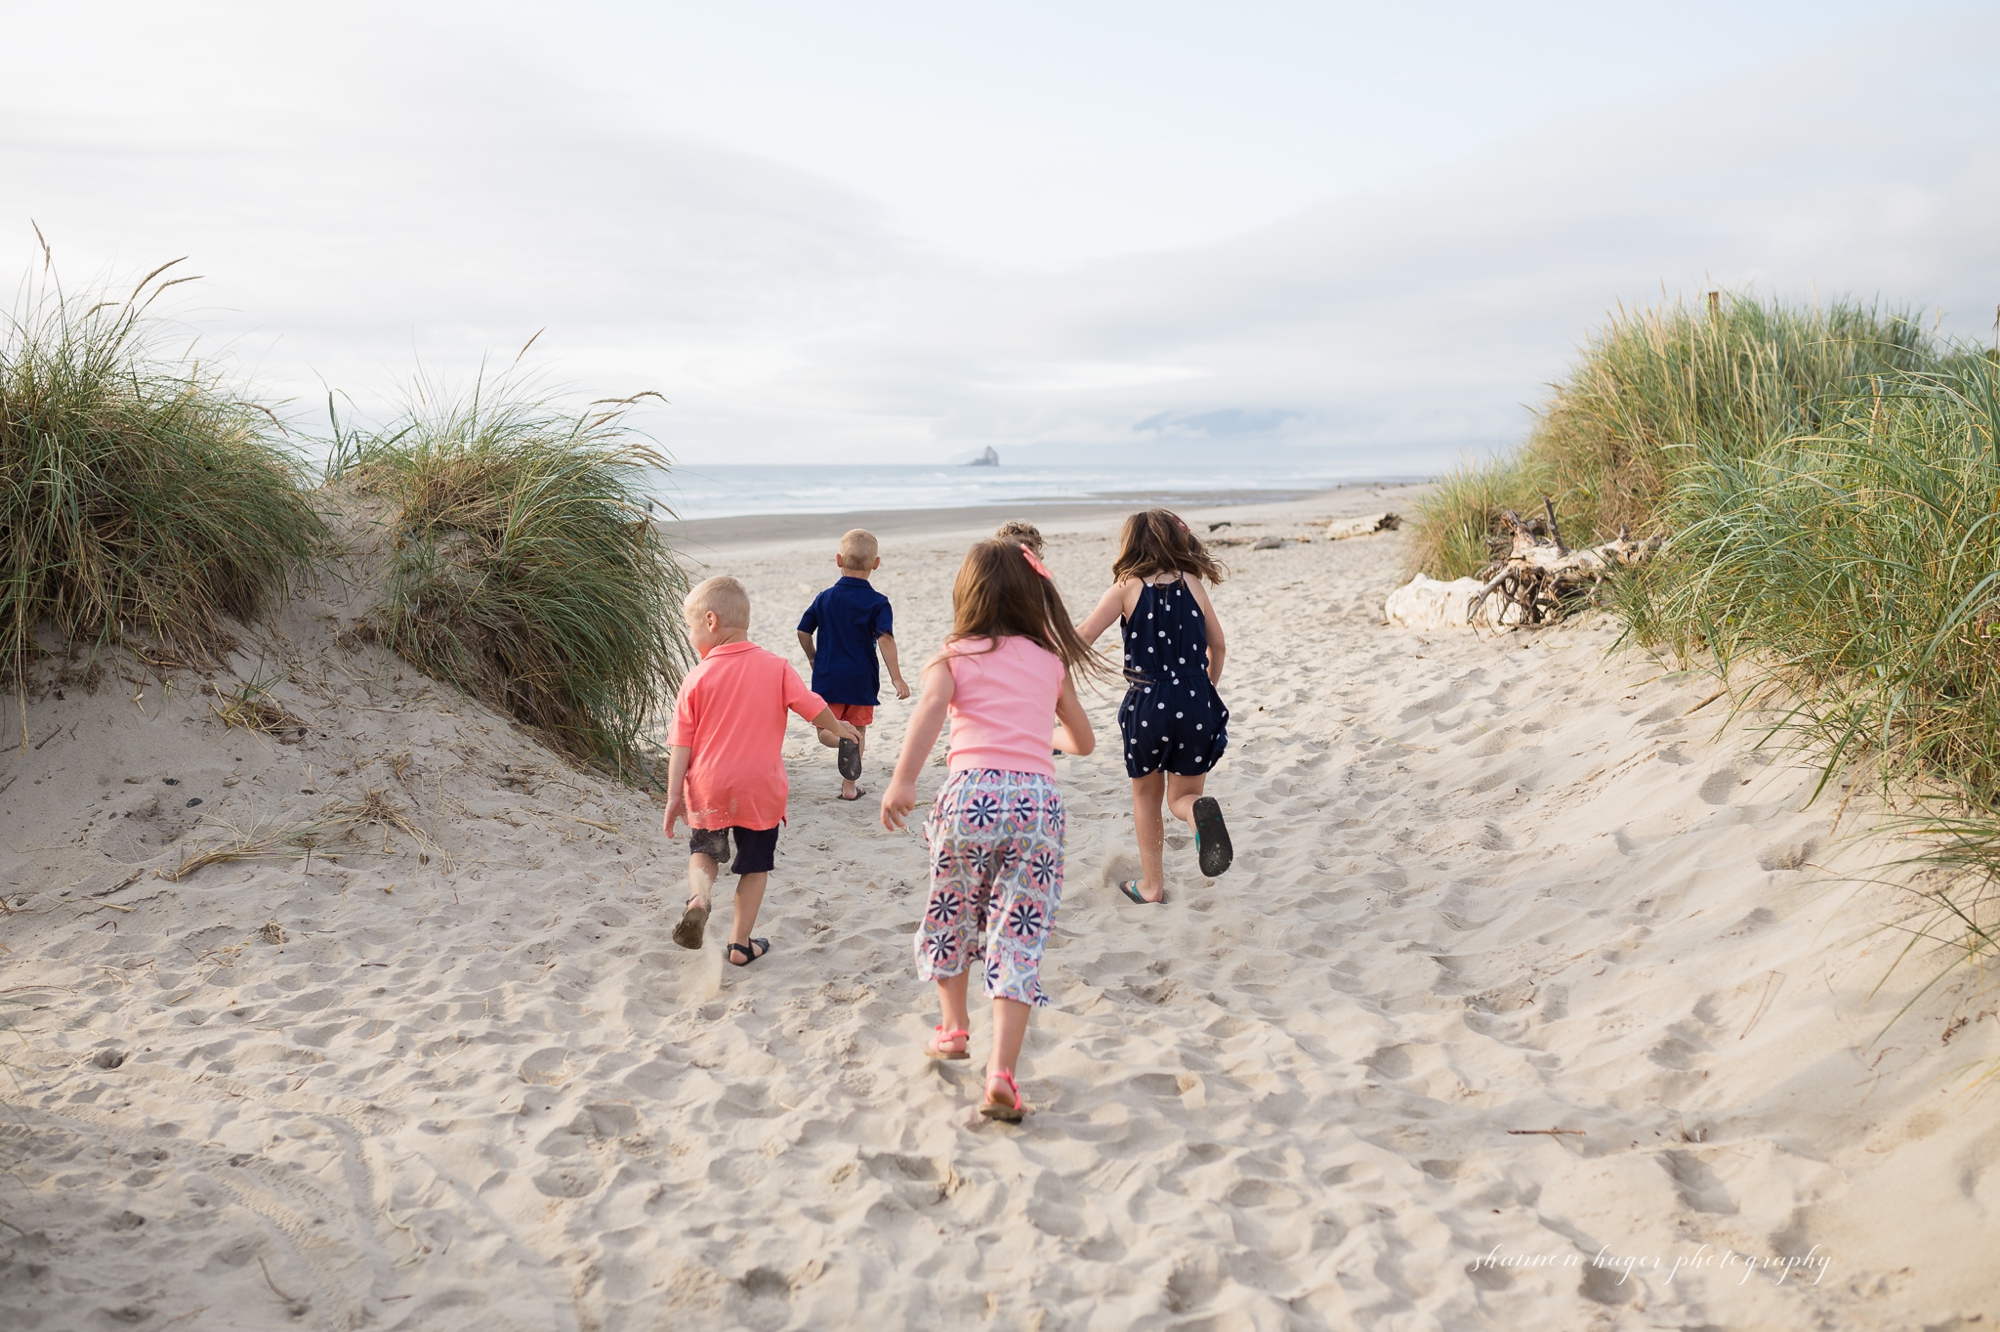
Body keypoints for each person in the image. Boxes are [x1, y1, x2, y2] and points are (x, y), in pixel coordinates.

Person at [880, 539, 1107, 1122]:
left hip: (970, 798)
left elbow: (931, 711)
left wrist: (903, 781)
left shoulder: (955, 656)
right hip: (1036, 806)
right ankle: (1002, 1072)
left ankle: (954, 1029)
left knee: (950, 908)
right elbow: (1082, 742)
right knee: (1018, 929)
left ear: (968, 594)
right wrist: (1039, 737)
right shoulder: (1050, 660)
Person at [665, 576, 860, 966]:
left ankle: (700, 898)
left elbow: (680, 745)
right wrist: (840, 730)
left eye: (689, 627)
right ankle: (740, 945)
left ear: (710, 621)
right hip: (760, 790)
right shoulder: (776, 666)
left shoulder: (696, 678)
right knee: (754, 867)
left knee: (706, 852)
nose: (689, 635)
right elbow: (813, 708)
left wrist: (674, 796)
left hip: (709, 787)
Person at [1076, 509, 1234, 905]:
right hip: (1197, 700)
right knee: (1182, 796)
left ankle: (1152, 887)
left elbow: (1080, 642)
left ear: (1130, 544)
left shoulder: (1124, 589)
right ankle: (1197, 812)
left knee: (1147, 796)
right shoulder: (1194, 583)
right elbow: (1219, 647)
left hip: (1148, 704)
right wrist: (1204, 689)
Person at [797, 529, 909, 801]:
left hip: (828, 676)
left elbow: (803, 631)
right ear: (876, 563)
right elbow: (885, 639)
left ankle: (839, 740)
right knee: (858, 730)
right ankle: (849, 787)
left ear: (838, 560)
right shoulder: (878, 602)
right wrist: (897, 678)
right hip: (862, 679)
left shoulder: (825, 598)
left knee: (825, 729)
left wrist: (812, 656)